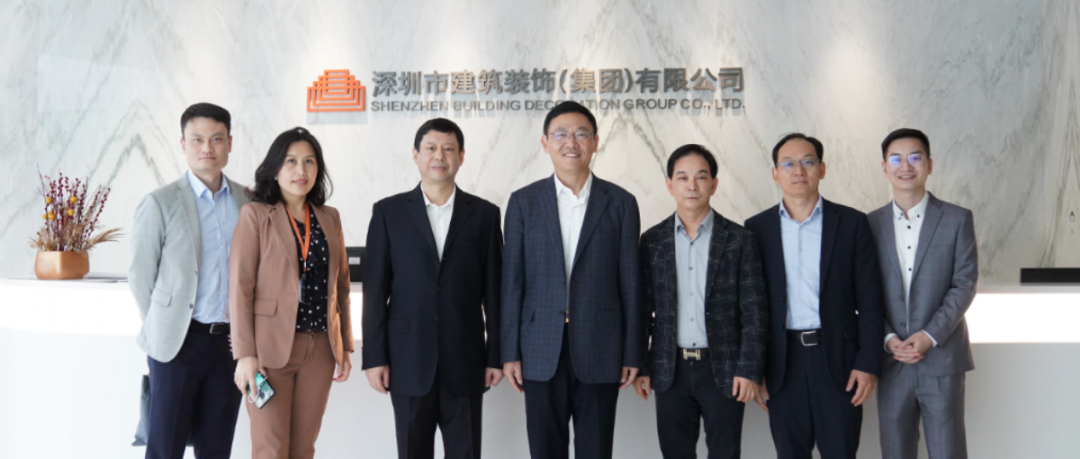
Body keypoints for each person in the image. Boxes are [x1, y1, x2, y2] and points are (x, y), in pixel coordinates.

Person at [501, 101, 642, 459]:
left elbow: (631, 283)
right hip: (538, 348)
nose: (571, 143)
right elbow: (512, 283)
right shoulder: (523, 202)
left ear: (595, 142)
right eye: (561, 134)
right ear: (545, 143)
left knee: (596, 450)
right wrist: (509, 351)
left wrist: (633, 350)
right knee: (545, 450)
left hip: (601, 345)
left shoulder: (621, 203)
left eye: (581, 134)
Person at [362, 118, 504, 459]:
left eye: (448, 148)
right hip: (407, 360)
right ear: (416, 154)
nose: (439, 156)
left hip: (466, 360)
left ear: (461, 156)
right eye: (430, 148)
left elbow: (495, 295)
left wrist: (495, 355)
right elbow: (375, 292)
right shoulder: (388, 213)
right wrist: (375, 357)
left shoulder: (485, 215)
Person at [744, 133, 884, 459]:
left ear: (822, 169)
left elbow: (871, 301)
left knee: (841, 452)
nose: (798, 170)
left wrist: (868, 363)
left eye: (808, 161)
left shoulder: (851, 223)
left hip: (839, 361)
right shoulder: (756, 229)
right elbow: (751, 305)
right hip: (781, 363)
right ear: (775, 173)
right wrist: (754, 366)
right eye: (788, 164)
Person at [633, 144, 768, 459]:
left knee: (725, 453)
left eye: (701, 177)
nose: (691, 185)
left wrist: (750, 369)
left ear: (714, 184)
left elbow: (755, 311)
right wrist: (641, 366)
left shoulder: (740, 240)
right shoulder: (652, 241)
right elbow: (642, 311)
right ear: (670, 184)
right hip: (670, 368)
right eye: (682, 177)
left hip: (723, 367)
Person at [129, 102, 248, 459]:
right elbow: (141, 275)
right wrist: (166, 323)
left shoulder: (249, 201)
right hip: (178, 345)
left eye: (216, 139)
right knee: (165, 448)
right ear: (183, 144)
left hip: (229, 345)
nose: (207, 148)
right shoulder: (160, 202)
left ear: (230, 143)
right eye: (197, 139)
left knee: (216, 449)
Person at [228, 127, 353, 459]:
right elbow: (240, 288)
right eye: (291, 161)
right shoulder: (255, 215)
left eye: (309, 161)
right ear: (275, 168)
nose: (301, 170)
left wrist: (344, 345)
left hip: (320, 350)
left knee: (303, 449)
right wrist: (245, 354)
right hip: (269, 352)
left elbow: (341, 286)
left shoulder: (330, 217)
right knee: (270, 449)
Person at [869, 128, 977, 459]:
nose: (906, 166)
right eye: (896, 159)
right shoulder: (869, 224)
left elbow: (964, 283)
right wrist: (887, 338)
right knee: (895, 452)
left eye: (915, 157)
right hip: (891, 361)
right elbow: (863, 293)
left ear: (929, 164)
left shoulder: (957, 219)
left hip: (942, 359)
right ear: (884, 167)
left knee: (948, 451)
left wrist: (929, 335)